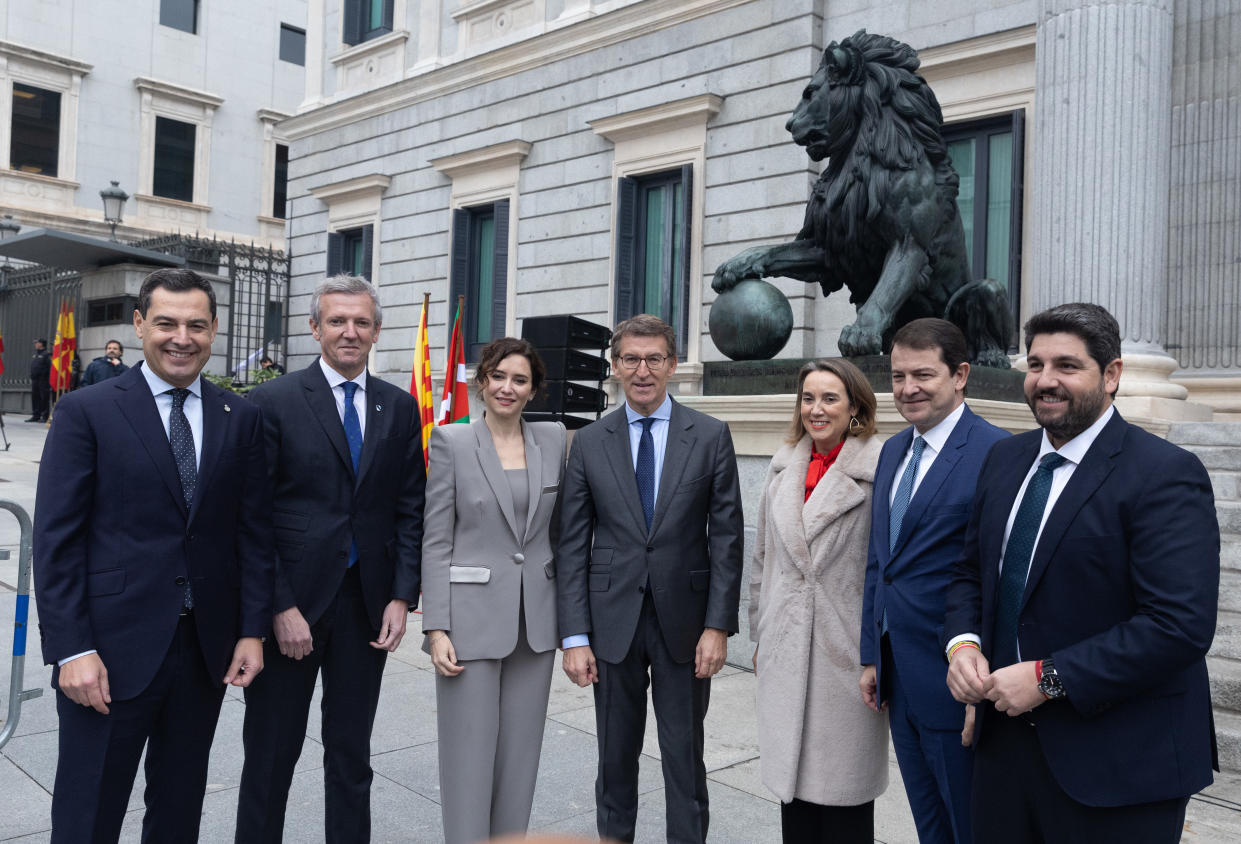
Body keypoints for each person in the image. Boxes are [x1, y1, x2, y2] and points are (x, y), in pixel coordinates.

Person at [943, 302, 1220, 843]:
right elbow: (969, 574)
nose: (1046, 381)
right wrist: (962, 646)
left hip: (1118, 766)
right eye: (1036, 364)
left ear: (1111, 375)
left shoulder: (1165, 474)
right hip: (1003, 754)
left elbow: (1178, 625)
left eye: (1067, 366)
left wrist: (1048, 678)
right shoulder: (1004, 460)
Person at [33, 268, 273, 843]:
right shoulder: (86, 412)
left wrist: (251, 630)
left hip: (203, 649)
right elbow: (56, 541)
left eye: (196, 325)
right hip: (109, 653)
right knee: (90, 810)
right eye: (166, 322)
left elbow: (252, 533)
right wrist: (73, 649)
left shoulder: (239, 417)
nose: (180, 337)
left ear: (214, 330)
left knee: (179, 806)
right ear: (140, 325)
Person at [235, 274, 425, 843]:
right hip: (291, 608)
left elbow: (409, 508)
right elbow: (251, 518)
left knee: (351, 756)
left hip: (365, 608)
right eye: (337, 321)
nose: (349, 332)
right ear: (314, 327)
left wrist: (400, 594)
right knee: (271, 758)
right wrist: (278, 607)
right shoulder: (271, 402)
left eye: (361, 322)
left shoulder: (399, 406)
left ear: (376, 331)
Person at [557, 313, 744, 844]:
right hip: (609, 625)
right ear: (615, 366)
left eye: (655, 359)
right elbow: (571, 542)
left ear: (673, 365)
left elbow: (727, 538)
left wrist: (718, 627)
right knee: (614, 761)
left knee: (685, 762)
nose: (643, 370)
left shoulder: (709, 436)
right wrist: (574, 636)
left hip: (685, 628)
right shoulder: (589, 442)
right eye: (631, 359)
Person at [859, 319, 1008, 844]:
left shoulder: (998, 452)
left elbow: (998, 579)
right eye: (898, 376)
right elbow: (882, 565)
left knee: (970, 826)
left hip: (956, 680)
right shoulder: (894, 449)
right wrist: (871, 655)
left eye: (923, 374)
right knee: (930, 826)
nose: (908, 388)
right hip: (899, 676)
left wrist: (983, 686)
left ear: (961, 374)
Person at [422, 337, 567, 844]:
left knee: (520, 757)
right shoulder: (452, 442)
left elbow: (560, 533)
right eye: (499, 376)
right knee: (468, 755)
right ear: (482, 382)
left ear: (533, 390)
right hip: (469, 620)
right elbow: (436, 539)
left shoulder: (554, 439)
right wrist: (435, 628)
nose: (508, 387)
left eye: (520, 379)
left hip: (537, 622)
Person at [750, 357, 888, 843]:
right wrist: (761, 633)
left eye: (830, 398)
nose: (816, 408)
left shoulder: (879, 470)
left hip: (844, 654)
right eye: (808, 398)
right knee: (795, 799)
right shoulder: (783, 465)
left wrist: (875, 654)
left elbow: (885, 571)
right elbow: (762, 561)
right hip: (786, 646)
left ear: (855, 406)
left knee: (844, 798)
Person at [27, 337, 50, 421]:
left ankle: (44, 416)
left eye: (37, 343)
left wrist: (43, 375)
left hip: (43, 380)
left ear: (41, 344)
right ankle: (36, 415)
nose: (35, 344)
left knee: (43, 397)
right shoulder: (35, 354)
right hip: (35, 380)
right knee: (35, 397)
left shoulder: (46, 354)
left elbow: (49, 367)